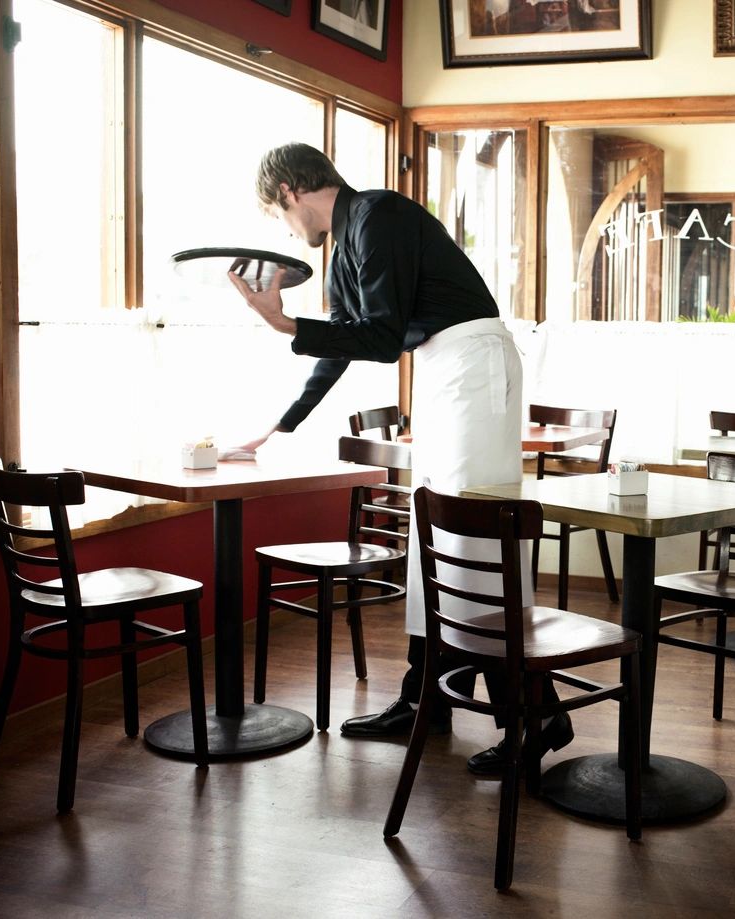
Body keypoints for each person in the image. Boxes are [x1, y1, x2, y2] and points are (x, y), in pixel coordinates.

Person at [227, 142, 572, 774]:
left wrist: (285, 324)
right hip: (442, 368)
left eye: (277, 215)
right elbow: (343, 344)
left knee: (474, 539)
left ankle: (537, 713)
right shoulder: (346, 247)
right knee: (433, 538)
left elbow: (382, 339)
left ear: (288, 193)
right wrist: (279, 426)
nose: (285, 229)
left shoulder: (377, 214)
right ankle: (424, 702)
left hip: (472, 362)